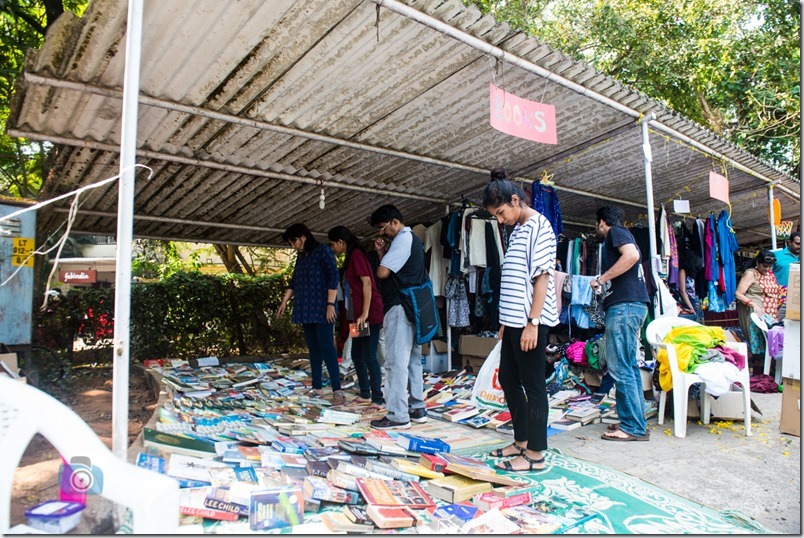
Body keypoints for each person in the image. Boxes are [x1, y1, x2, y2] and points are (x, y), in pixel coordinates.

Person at [481, 169, 558, 473]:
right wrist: (505, 322)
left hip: (530, 322)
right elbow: (515, 279)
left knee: (533, 385)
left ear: (516, 200)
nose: (500, 220)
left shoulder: (540, 226)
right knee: (509, 380)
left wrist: (533, 323)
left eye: (501, 212)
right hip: (513, 321)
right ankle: (521, 439)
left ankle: (536, 454)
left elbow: (540, 278)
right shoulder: (517, 229)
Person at [590, 205, 651, 442]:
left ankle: (633, 428)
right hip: (631, 305)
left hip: (625, 306)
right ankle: (634, 423)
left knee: (620, 367)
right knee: (628, 366)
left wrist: (602, 279)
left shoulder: (615, 232)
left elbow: (632, 255)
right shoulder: (623, 234)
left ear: (602, 221)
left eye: (597, 224)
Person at [368, 204, 428, 429]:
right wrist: (383, 252)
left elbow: (383, 272)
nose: (382, 233)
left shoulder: (403, 239)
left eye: (383, 228)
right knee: (412, 360)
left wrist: (381, 257)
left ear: (395, 222)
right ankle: (417, 407)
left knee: (394, 362)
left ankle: (397, 415)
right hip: (412, 306)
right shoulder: (411, 240)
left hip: (400, 307)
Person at [277, 223, 345, 406]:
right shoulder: (301, 257)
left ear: (303, 237)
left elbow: (333, 277)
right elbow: (294, 281)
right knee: (313, 349)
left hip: (323, 307)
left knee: (327, 348)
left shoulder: (323, 251)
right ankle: (317, 387)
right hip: (306, 308)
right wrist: (284, 301)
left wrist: (331, 304)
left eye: (294, 241)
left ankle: (337, 390)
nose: (293, 246)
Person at [327, 225, 385, 408]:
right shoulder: (352, 256)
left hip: (368, 315)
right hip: (357, 316)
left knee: (368, 354)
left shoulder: (357, 256)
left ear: (340, 242)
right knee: (356, 354)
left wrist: (365, 313)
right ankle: (365, 393)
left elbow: (367, 283)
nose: (332, 248)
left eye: (332, 244)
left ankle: (377, 397)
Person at [735, 249, 781, 372]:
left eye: (769, 266)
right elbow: (739, 294)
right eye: (764, 266)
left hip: (770, 313)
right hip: (756, 313)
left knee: (770, 345)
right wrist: (752, 304)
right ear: (757, 263)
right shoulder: (751, 273)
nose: (767, 269)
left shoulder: (770, 273)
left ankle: (769, 373)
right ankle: (760, 374)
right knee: (759, 345)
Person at [771, 232, 800, 318]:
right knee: (782, 323)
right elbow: (767, 274)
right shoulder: (777, 256)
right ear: (789, 242)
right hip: (781, 296)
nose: (800, 246)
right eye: (797, 243)